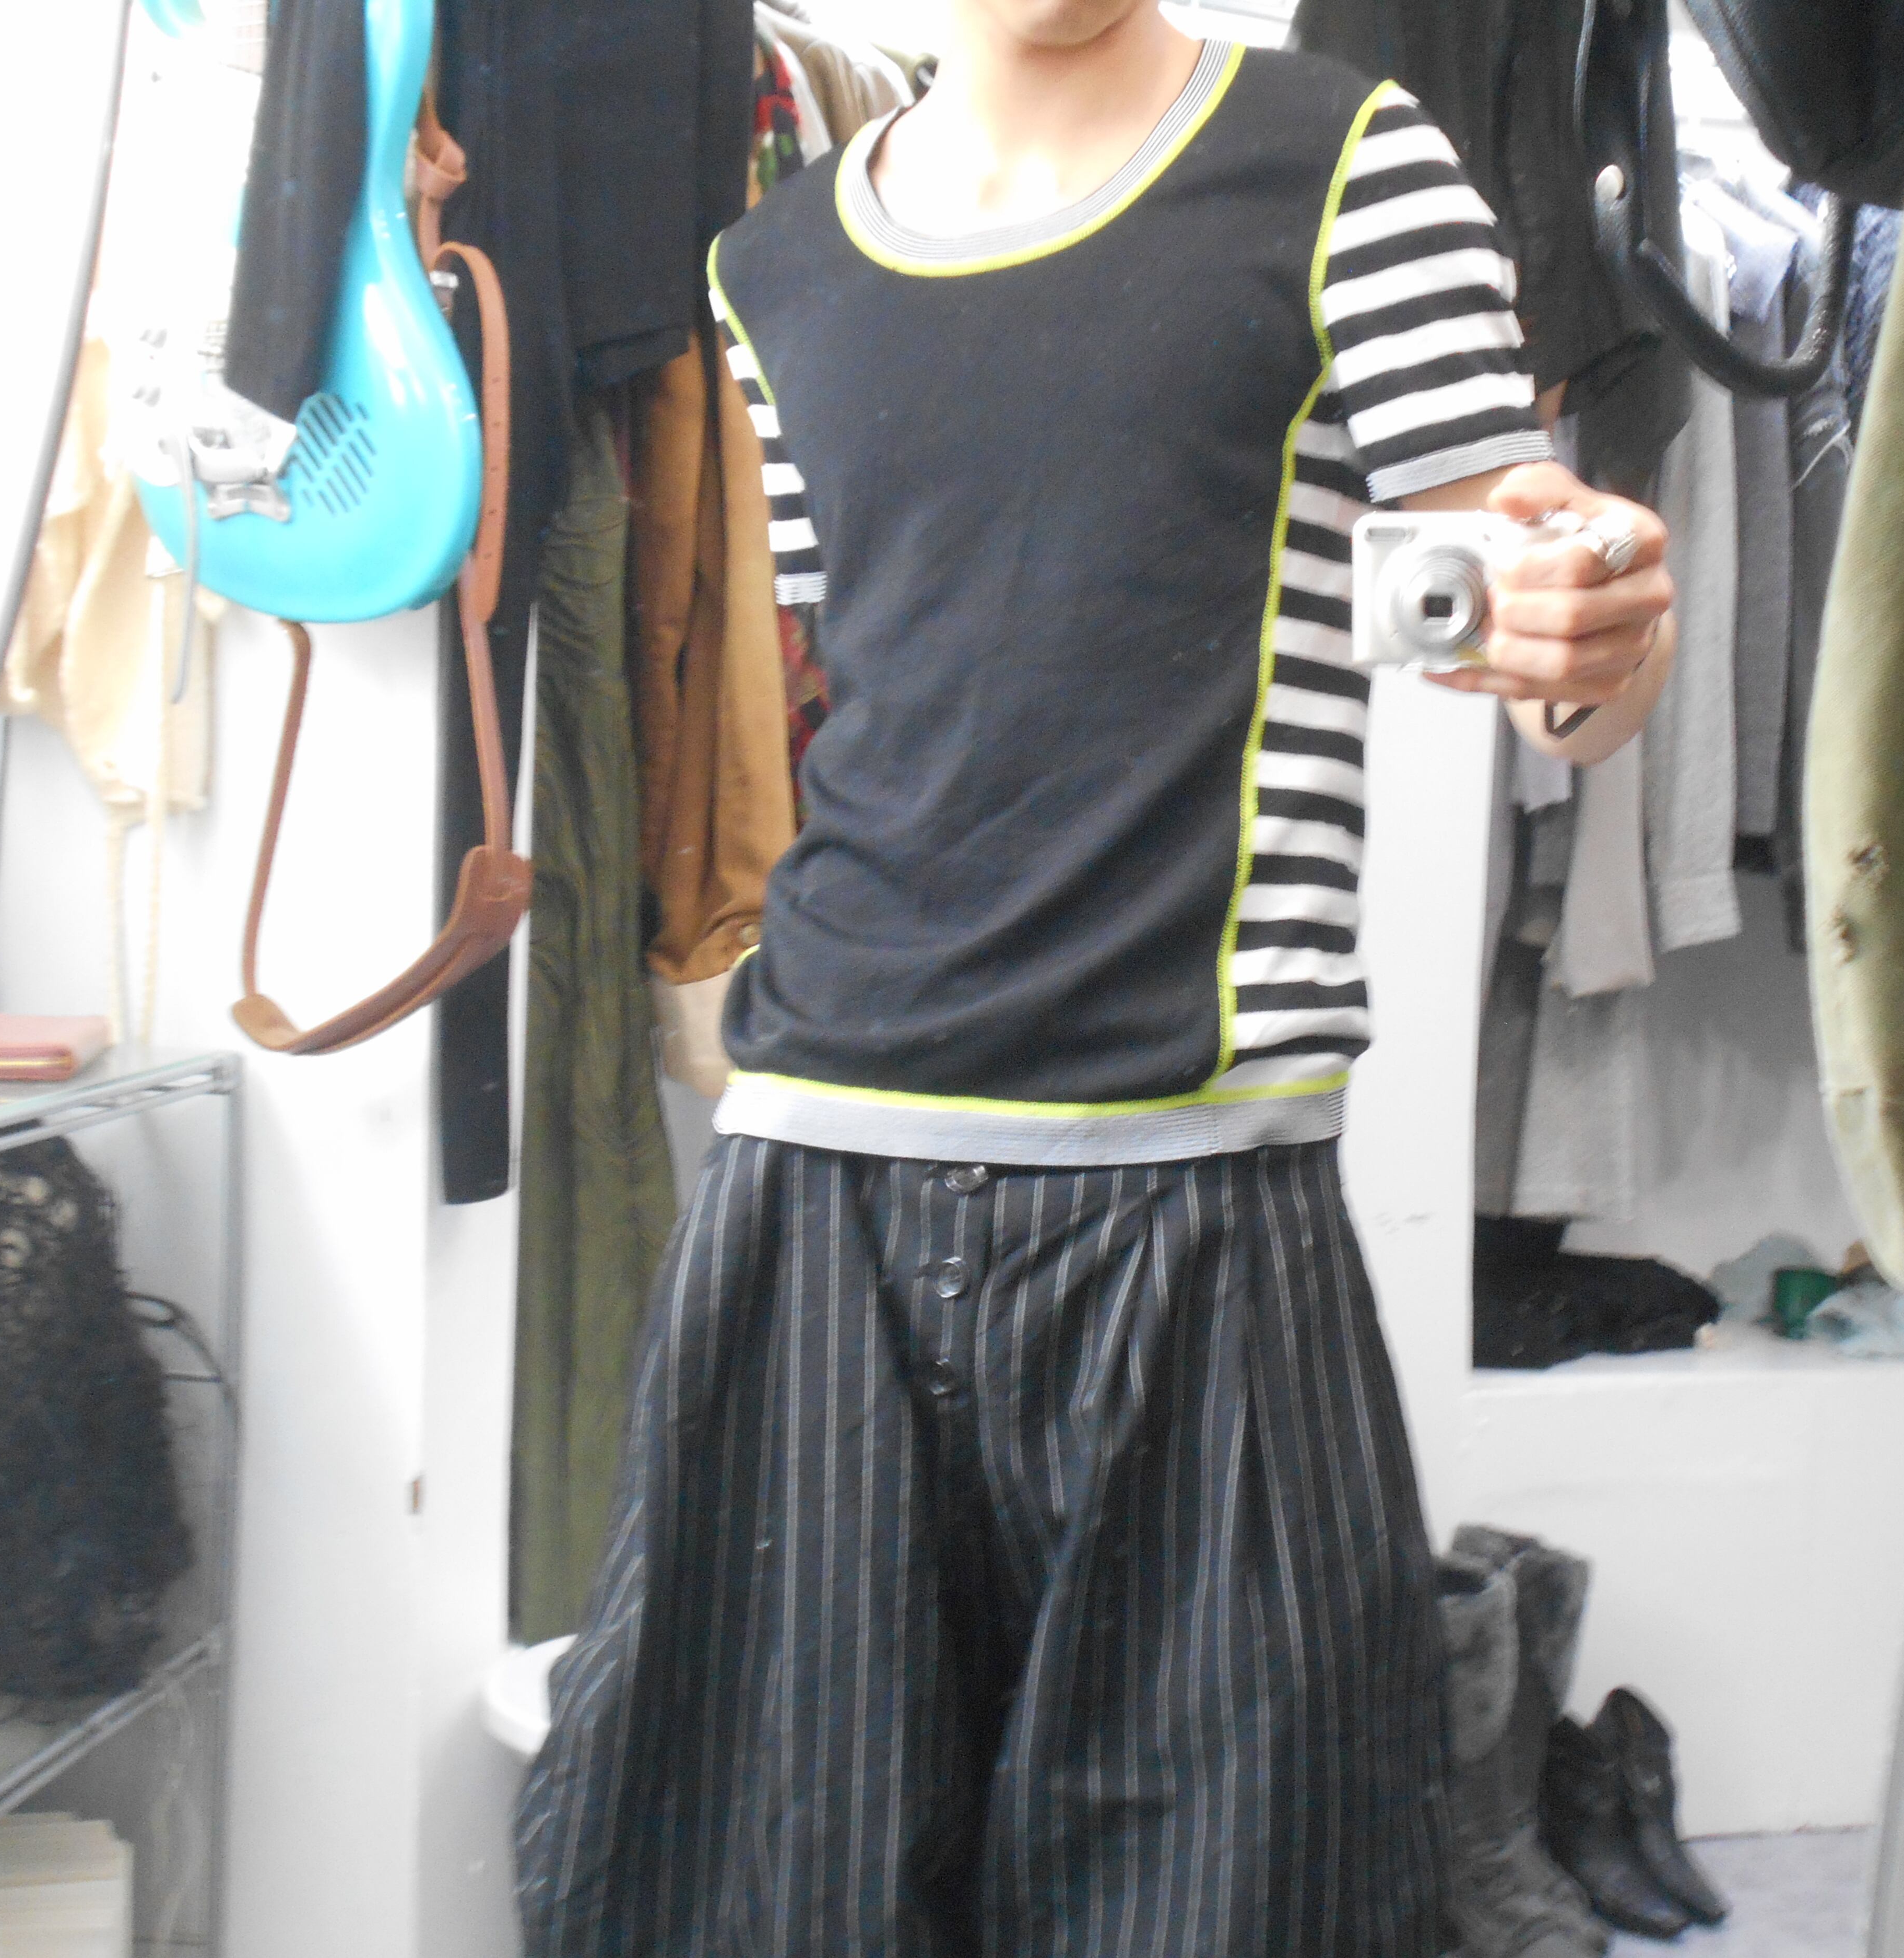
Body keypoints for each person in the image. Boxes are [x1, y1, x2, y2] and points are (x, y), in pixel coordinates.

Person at [513, 0, 1676, 1944]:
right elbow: (881, 683)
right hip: (817, 1190)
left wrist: (1599, 644)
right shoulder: (770, 267)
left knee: (1237, 1896)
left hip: (1196, 1207)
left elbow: (1524, 603)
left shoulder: (1344, 165)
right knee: (773, 1891)